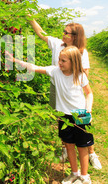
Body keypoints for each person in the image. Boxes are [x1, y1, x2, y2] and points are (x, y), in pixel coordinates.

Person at [5, 46, 94, 184]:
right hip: (63, 115)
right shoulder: (55, 71)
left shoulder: (80, 75)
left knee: (82, 146)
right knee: (69, 144)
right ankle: (75, 173)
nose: (59, 63)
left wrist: (88, 109)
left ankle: (85, 178)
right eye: (59, 59)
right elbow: (34, 67)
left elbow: (89, 93)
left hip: (81, 114)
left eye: (63, 61)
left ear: (73, 62)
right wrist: (14, 60)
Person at [28, 16, 102, 170]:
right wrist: (31, 19)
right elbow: (41, 34)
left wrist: (71, 81)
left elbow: (85, 73)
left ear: (75, 36)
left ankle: (91, 152)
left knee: (83, 124)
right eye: (64, 31)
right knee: (62, 119)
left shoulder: (81, 53)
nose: (63, 34)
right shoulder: (56, 44)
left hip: (74, 93)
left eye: (67, 32)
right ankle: (66, 148)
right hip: (57, 89)